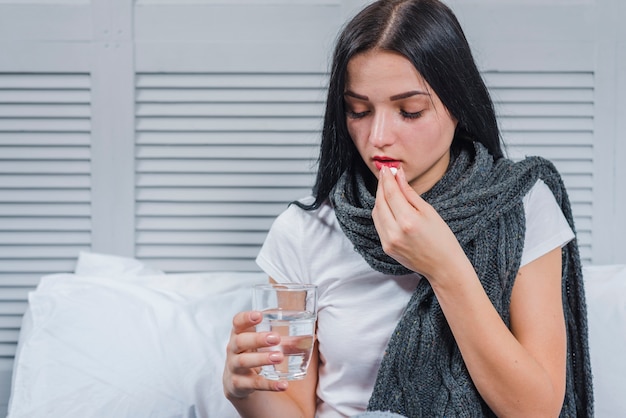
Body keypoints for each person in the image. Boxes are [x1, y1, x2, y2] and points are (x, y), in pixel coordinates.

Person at [222, 0, 594, 417]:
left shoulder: (521, 204)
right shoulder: (303, 232)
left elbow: (536, 410)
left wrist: (444, 266)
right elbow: (292, 405)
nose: (378, 136)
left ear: (458, 104)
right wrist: (246, 391)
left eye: (409, 111)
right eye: (358, 110)